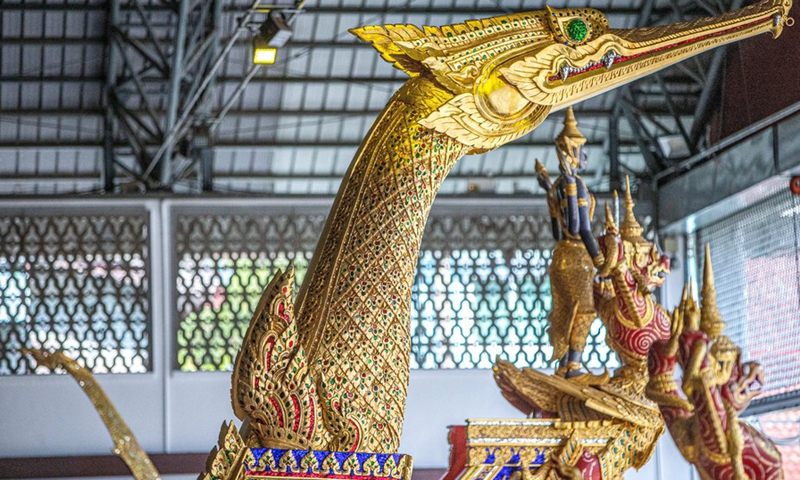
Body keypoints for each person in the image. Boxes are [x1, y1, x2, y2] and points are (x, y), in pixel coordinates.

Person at [535, 107, 603, 379]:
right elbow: (578, 228)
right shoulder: (574, 185)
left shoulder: (555, 188)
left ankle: (563, 364)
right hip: (577, 260)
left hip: (559, 259)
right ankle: (573, 365)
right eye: (581, 150)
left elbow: (556, 230)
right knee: (583, 310)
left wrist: (549, 190)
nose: (584, 156)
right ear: (572, 153)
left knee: (564, 310)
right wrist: (601, 261)